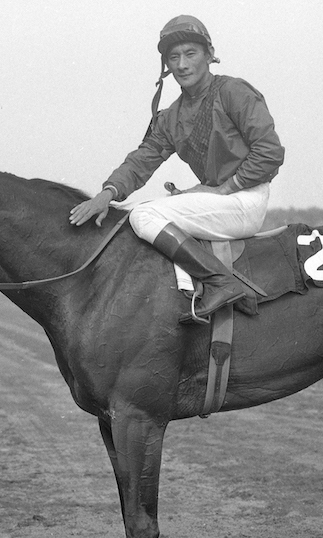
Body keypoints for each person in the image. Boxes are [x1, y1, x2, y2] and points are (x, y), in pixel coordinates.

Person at [68, 14, 284, 324]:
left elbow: (269, 152)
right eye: (174, 57)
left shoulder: (234, 92)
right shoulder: (171, 117)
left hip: (245, 201)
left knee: (143, 215)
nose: (181, 64)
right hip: (219, 202)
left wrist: (223, 188)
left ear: (209, 55)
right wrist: (108, 193)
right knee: (152, 212)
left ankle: (222, 282)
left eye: (190, 54)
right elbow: (143, 159)